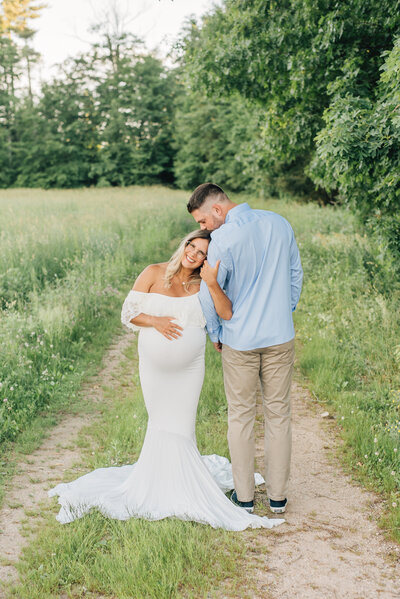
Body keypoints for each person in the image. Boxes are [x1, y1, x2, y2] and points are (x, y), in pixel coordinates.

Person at [48, 229, 284, 531]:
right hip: (154, 367)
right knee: (160, 422)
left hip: (190, 368)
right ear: (184, 244)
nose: (195, 255)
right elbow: (128, 312)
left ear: (206, 260)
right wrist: (155, 320)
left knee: (183, 427)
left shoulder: (203, 283)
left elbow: (226, 313)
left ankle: (183, 486)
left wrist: (211, 283)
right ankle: (157, 482)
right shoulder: (153, 272)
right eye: (193, 247)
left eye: (202, 254)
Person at [187, 183, 303, 515]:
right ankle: (278, 498)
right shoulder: (280, 223)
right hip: (280, 336)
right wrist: (282, 310)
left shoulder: (223, 238)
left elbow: (211, 292)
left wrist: (215, 332)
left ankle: (246, 498)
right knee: (279, 414)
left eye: (204, 221)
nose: (204, 229)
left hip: (240, 341)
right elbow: (295, 275)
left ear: (217, 210)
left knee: (240, 417)